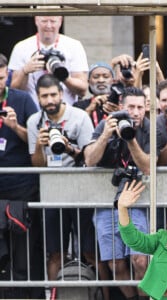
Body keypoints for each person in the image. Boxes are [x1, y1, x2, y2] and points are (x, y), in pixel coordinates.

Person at [84, 86, 152, 300]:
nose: (135, 112)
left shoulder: (149, 127)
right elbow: (89, 160)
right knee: (115, 263)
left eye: (140, 107)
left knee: (140, 259)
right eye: (131, 107)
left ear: (145, 108)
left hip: (138, 203)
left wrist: (130, 138)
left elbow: (148, 167)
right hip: (107, 204)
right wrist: (105, 135)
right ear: (122, 107)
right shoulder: (106, 124)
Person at [26, 74, 94, 287]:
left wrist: (68, 148)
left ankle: (102, 293)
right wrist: (39, 146)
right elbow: (38, 165)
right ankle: (53, 293)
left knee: (90, 251)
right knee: (55, 252)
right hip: (52, 193)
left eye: (53, 94)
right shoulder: (34, 122)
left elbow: (89, 159)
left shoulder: (80, 117)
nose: (50, 100)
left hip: (81, 192)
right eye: (44, 96)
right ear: (38, 98)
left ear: (62, 94)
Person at [0, 53, 44, 299]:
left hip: (21, 187)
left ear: (7, 74)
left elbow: (37, 141)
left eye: (1, 77)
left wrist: (16, 127)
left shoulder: (22, 98)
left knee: (24, 248)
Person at [8, 15, 89, 109]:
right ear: (36, 20)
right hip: (32, 114)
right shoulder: (21, 47)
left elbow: (82, 91)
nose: (48, 25)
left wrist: (62, 75)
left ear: (60, 21)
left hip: (66, 115)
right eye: (44, 21)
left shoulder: (74, 46)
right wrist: (25, 71)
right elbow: (13, 91)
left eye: (53, 21)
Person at [73, 61, 119, 127]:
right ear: (89, 81)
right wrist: (89, 110)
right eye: (96, 77)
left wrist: (119, 112)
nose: (101, 80)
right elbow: (75, 130)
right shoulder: (79, 106)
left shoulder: (119, 103)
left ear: (113, 81)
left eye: (106, 77)